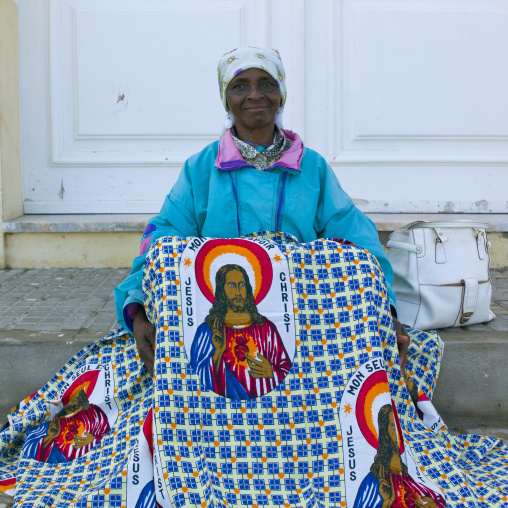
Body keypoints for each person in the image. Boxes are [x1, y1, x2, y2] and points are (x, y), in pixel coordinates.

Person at [114, 46, 409, 377]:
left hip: (302, 315)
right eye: (240, 86)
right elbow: (162, 237)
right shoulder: (201, 169)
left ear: (281, 94)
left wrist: (385, 310)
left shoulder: (312, 168)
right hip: (214, 315)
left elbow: (358, 239)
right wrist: (138, 309)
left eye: (267, 84)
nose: (255, 95)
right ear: (226, 100)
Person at [190, 263, 292, 399]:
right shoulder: (207, 331)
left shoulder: (266, 328)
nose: (238, 292)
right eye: (231, 285)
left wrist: (272, 372)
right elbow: (192, 380)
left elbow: (288, 372)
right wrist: (217, 355)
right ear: (221, 290)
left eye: (242, 285)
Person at [353, 404, 446, 508]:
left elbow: (437, 500)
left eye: (397, 427)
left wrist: (433, 504)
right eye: (393, 427)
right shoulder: (373, 482)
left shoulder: (407, 475)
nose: (396, 434)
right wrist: (388, 501)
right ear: (384, 430)